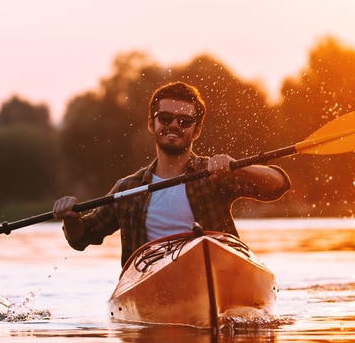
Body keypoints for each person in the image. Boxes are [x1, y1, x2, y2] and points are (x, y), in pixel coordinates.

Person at [52, 81, 291, 265]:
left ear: (196, 130)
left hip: (217, 268)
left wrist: (237, 167)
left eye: (185, 121)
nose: (174, 125)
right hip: (150, 280)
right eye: (165, 118)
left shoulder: (214, 175)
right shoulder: (128, 188)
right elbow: (82, 238)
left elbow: (278, 185)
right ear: (151, 123)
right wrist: (70, 219)